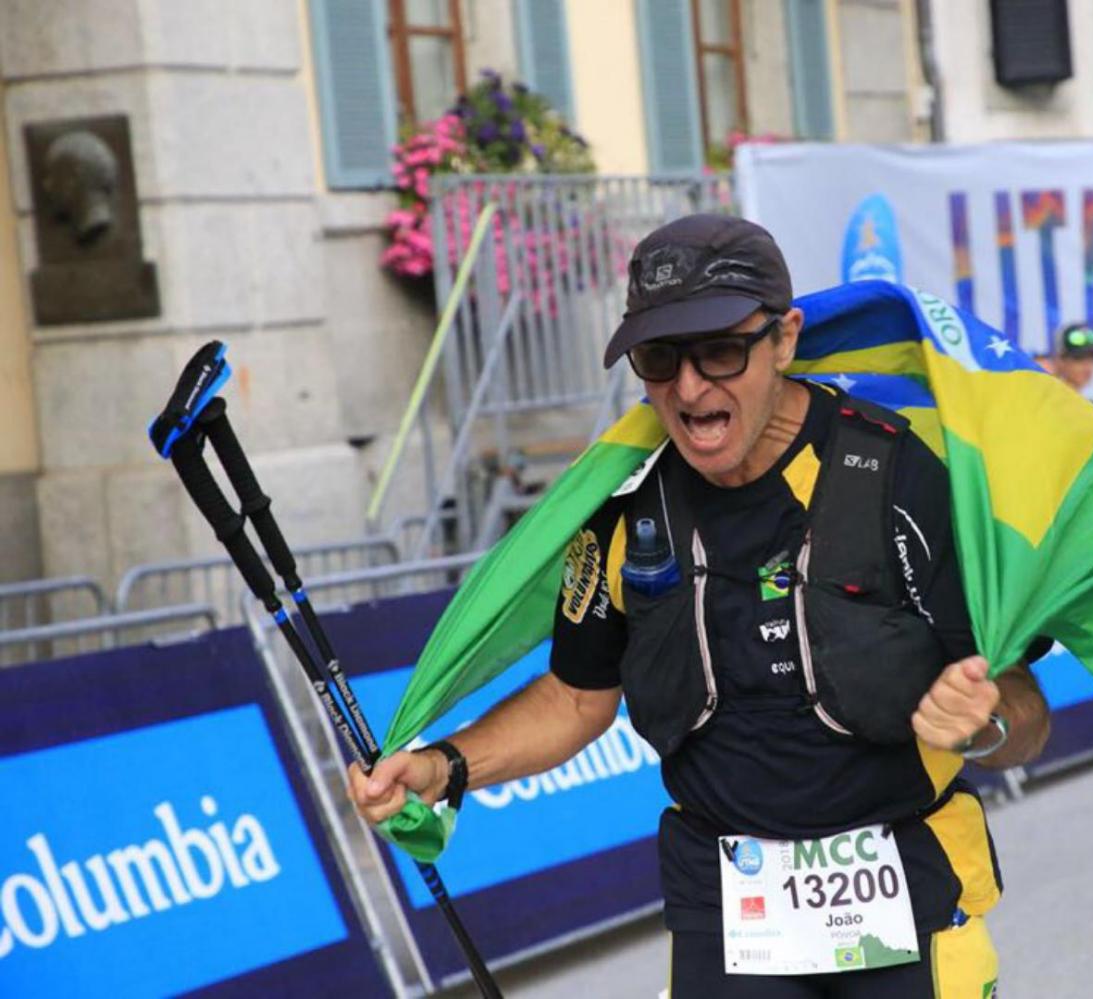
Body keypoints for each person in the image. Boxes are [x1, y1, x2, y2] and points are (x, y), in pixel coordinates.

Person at [349, 215, 1053, 996]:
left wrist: (985, 722)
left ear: (784, 339)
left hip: (908, 899)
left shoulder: (900, 477)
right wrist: (444, 766)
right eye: (659, 357)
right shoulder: (621, 512)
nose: (689, 388)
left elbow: (1023, 706)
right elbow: (579, 696)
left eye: (720, 350)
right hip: (727, 911)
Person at [1036, 321, 1093, 394]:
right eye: (1079, 358)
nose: (1087, 366)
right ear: (1059, 361)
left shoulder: (1092, 404)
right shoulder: (1045, 399)